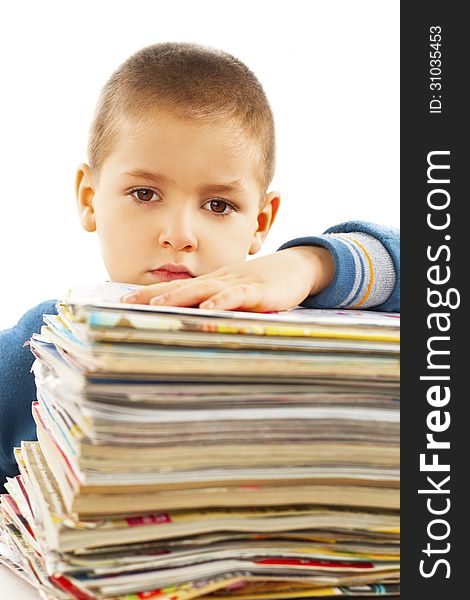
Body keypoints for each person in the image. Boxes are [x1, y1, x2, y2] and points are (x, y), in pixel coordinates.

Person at [0, 42, 399, 491]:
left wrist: (309, 264)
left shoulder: (303, 328)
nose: (180, 234)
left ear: (260, 222)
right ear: (89, 199)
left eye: (218, 204)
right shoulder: (37, 349)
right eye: (145, 193)